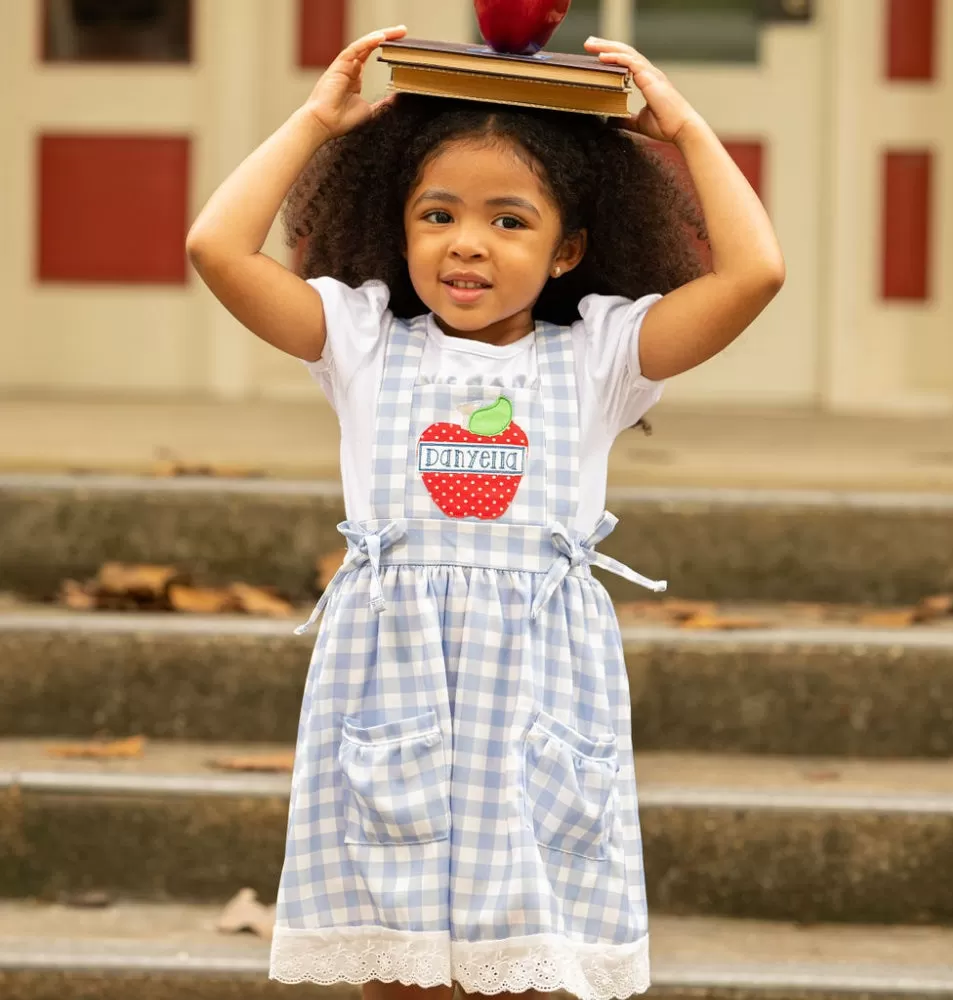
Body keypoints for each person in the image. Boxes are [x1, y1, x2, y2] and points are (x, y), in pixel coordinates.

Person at [186, 24, 784, 1000]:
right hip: (392, 684)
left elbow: (753, 274)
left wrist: (680, 127)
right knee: (400, 962)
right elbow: (215, 246)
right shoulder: (362, 339)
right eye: (438, 214)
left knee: (531, 964)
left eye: (510, 220)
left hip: (538, 692)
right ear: (402, 225)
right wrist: (315, 120)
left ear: (568, 250)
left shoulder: (599, 357)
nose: (467, 241)